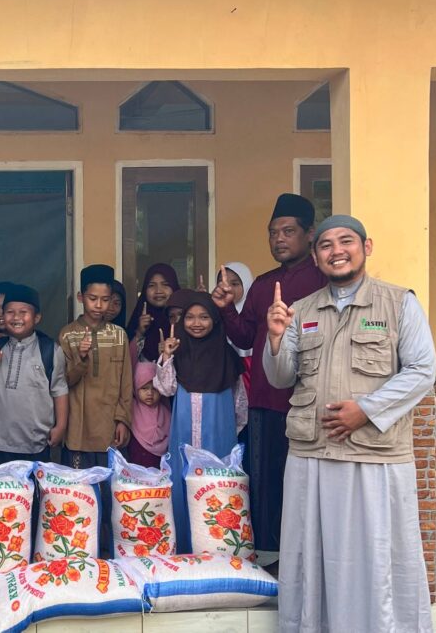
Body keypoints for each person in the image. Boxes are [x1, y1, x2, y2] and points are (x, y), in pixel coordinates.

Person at [262, 215, 435, 633]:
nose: (336, 251)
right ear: (316, 256)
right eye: (326, 245)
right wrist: (275, 338)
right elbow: (281, 378)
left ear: (366, 247)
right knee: (312, 556)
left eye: (346, 241)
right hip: (312, 455)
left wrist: (366, 410)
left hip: (374, 457)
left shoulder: (398, 303)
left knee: (376, 557)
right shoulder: (302, 310)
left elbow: (422, 370)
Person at [210, 193, 327, 559]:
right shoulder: (263, 284)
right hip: (264, 401)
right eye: (273, 232)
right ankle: (269, 557)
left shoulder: (325, 281)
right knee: (265, 483)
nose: (279, 239)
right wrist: (226, 309)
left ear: (309, 234)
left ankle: (306, 557)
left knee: (305, 484)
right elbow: (246, 337)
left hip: (308, 402)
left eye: (288, 231)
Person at [154, 291, 247, 553]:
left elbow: (240, 404)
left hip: (219, 435)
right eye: (190, 317)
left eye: (204, 317)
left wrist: (227, 433)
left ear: (215, 320)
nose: (196, 323)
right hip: (183, 434)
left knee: (217, 488)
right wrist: (167, 357)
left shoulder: (228, 356)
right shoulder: (178, 352)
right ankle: (184, 548)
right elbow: (166, 388)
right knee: (182, 484)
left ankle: (218, 549)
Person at [0, 284, 68, 465]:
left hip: (36, 443)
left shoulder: (50, 350)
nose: (16, 318)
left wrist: (61, 426)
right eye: (10, 312)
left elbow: (59, 390)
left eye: (23, 312)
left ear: (37, 317)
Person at [59, 264, 132, 469]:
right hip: (78, 427)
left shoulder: (119, 335)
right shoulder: (68, 334)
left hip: (110, 424)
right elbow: (64, 381)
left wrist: (123, 420)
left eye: (105, 299)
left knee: (110, 484)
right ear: (80, 297)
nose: (99, 305)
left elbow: (126, 383)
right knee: (80, 486)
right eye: (93, 298)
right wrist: (81, 357)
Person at [126, 263, 181, 364]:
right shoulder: (138, 321)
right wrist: (140, 332)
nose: (158, 291)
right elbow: (127, 363)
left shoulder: (184, 319)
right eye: (151, 285)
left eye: (165, 284)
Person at [216, 263, 255, 395]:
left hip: (249, 370)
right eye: (222, 283)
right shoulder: (213, 313)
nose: (228, 288)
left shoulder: (254, 313)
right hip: (222, 375)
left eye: (235, 284)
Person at [127, 361, 170, 468]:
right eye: (144, 388)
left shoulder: (166, 414)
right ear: (136, 387)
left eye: (155, 388)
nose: (150, 393)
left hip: (158, 471)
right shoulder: (130, 410)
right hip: (135, 469)